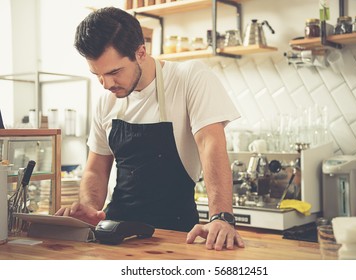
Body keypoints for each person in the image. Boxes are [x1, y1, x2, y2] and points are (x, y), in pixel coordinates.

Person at [55, 7, 245, 251]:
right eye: (98, 75)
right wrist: (90, 208)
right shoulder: (106, 100)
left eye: (114, 72)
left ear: (141, 52)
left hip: (177, 235)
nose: (106, 84)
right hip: (116, 234)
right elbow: (96, 169)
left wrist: (221, 217)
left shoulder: (190, 78)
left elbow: (211, 144)